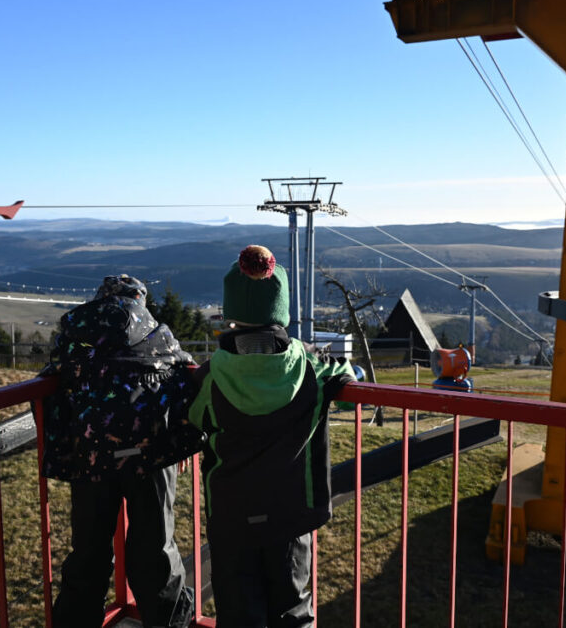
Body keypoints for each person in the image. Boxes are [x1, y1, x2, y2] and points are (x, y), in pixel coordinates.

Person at [188, 245, 355, 627]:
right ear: (281, 310)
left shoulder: (212, 375)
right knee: (292, 610)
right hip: (292, 512)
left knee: (237, 611)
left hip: (231, 514)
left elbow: (195, 417)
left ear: (232, 313)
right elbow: (348, 378)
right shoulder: (311, 365)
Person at [41, 275, 203, 628]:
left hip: (91, 451)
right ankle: (167, 621)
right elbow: (182, 367)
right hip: (150, 453)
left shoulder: (78, 330)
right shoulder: (155, 330)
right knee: (155, 547)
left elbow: (56, 372)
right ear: (139, 299)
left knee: (89, 550)